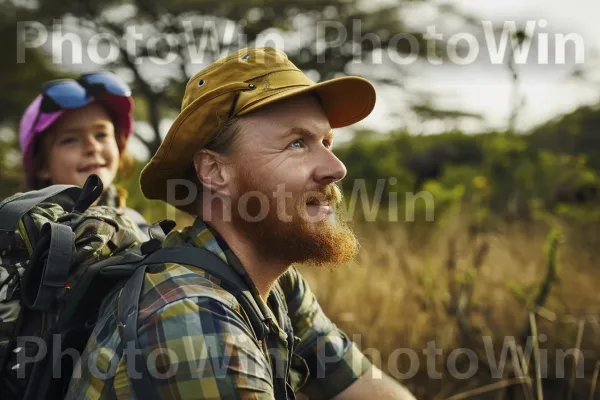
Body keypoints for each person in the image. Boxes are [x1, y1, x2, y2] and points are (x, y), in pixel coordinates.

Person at [66, 47, 416, 399]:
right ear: (215, 172)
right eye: (297, 143)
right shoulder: (188, 314)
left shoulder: (277, 286)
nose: (336, 168)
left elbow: (365, 388)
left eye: (326, 141)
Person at [18, 71, 149, 235]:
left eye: (101, 135)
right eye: (70, 140)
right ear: (42, 165)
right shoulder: (22, 235)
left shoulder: (138, 225)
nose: (93, 147)